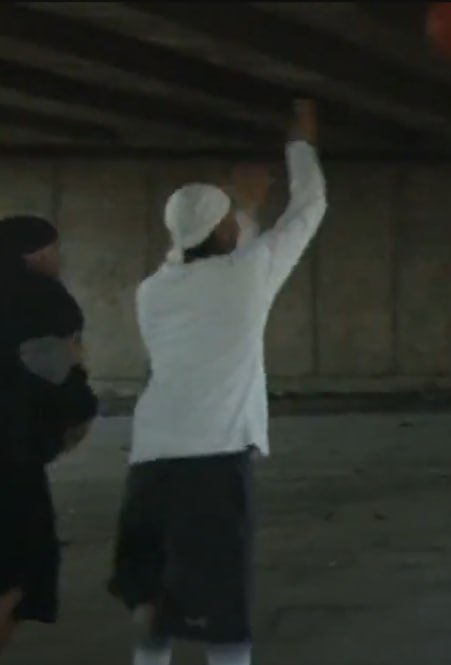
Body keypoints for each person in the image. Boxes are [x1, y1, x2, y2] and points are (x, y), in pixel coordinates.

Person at [107, 100, 325, 665]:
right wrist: (300, 144)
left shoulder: (153, 290)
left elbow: (195, 249)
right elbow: (308, 207)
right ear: (224, 230)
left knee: (156, 603)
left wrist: (238, 208)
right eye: (231, 220)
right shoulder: (246, 277)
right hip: (214, 459)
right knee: (222, 605)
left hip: (151, 457)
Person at [0, 215, 98, 654]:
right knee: (17, 571)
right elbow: (55, 373)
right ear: (35, 253)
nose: (59, 258)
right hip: (13, 459)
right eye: (54, 249)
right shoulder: (43, 301)